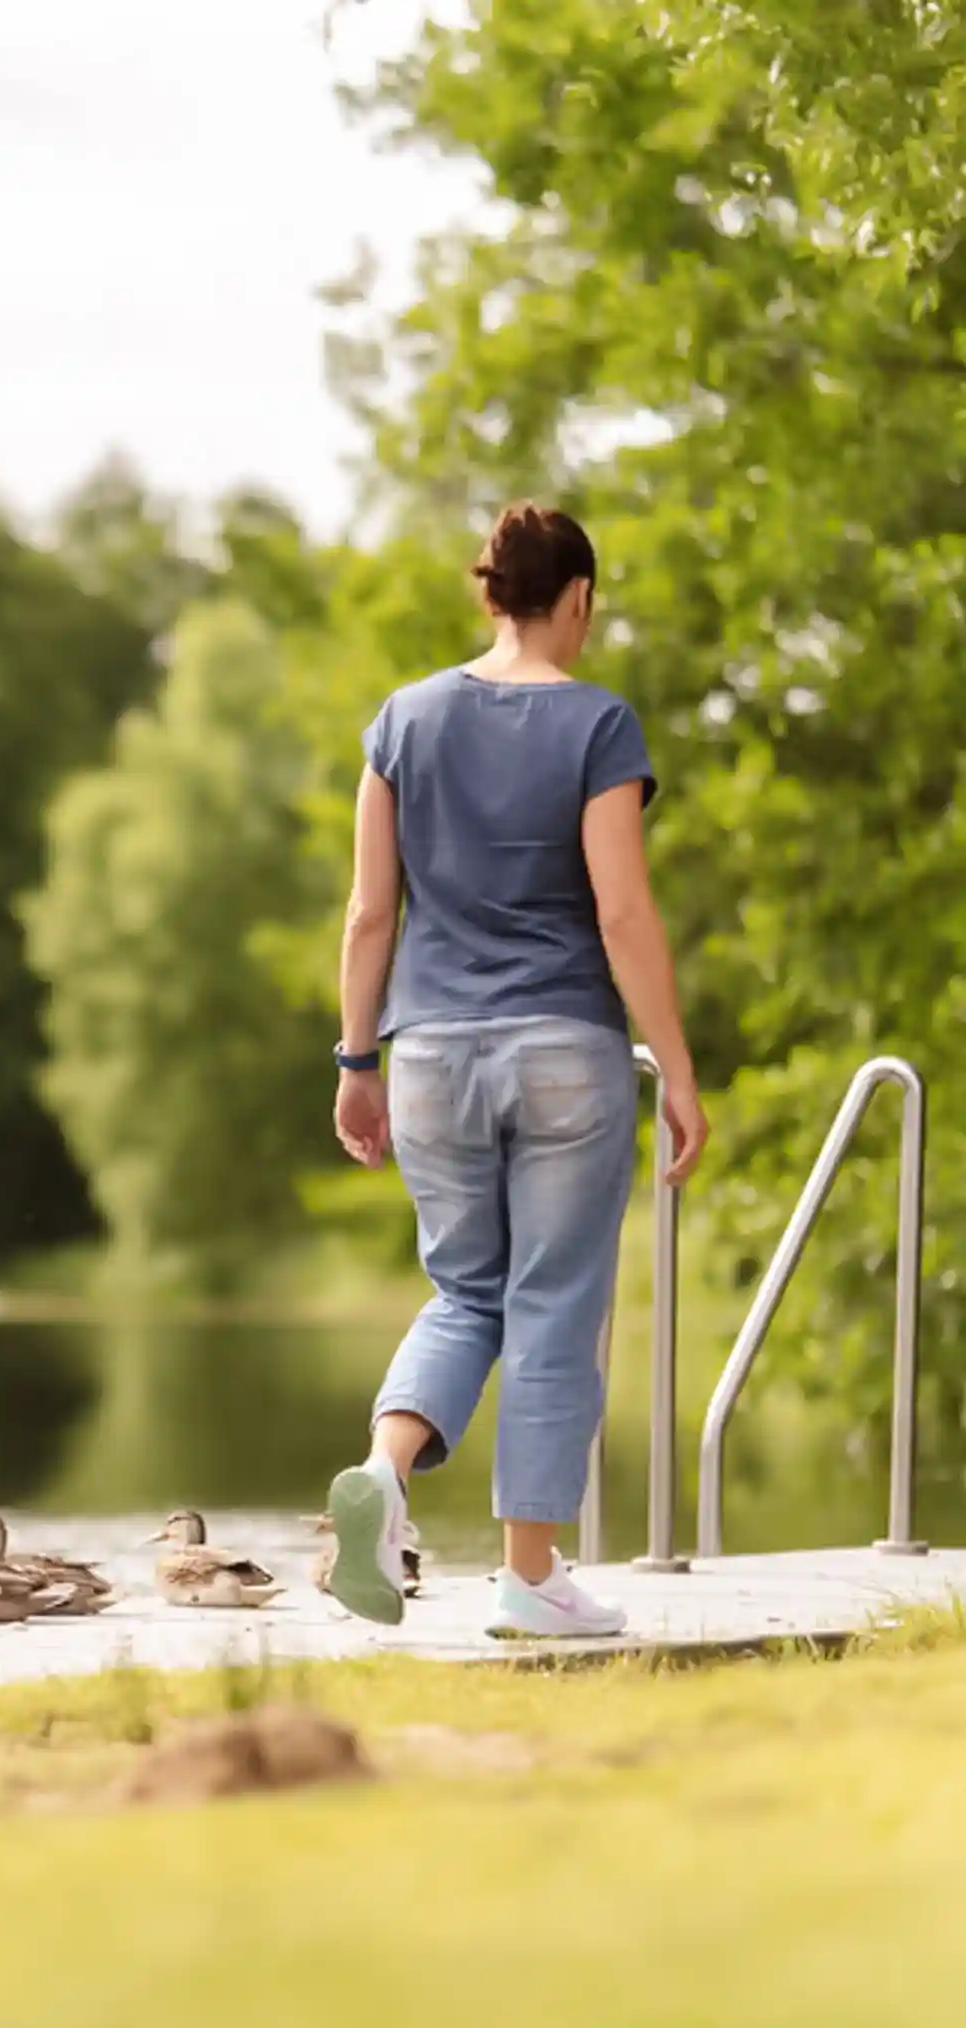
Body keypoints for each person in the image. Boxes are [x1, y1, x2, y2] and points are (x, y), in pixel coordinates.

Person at [322, 502, 708, 1638]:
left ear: (488, 592)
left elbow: (365, 913)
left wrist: (355, 1059)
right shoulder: (598, 725)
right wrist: (677, 1069)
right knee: (550, 1306)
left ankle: (384, 1474)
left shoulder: (401, 720)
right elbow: (621, 908)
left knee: (464, 1292)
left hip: (429, 1051)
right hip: (562, 1055)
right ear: (576, 598)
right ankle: (529, 1579)